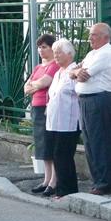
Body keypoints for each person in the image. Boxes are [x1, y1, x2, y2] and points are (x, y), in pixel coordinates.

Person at [70, 23, 111, 195]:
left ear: (105, 37)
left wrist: (77, 72)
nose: (90, 38)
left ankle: (103, 183)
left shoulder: (106, 53)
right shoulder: (91, 54)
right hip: (86, 100)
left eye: (94, 35)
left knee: (99, 141)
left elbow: (85, 75)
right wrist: (75, 72)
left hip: (99, 99)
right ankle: (98, 181)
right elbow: (73, 72)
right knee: (89, 141)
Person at [24, 34, 59, 196]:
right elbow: (26, 87)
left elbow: (45, 82)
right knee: (42, 145)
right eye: (39, 47)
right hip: (36, 107)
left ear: (52, 48)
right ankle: (46, 179)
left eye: (44, 47)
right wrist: (35, 86)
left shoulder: (54, 66)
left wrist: (34, 85)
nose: (41, 50)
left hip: (47, 108)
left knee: (49, 143)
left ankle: (54, 181)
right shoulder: (38, 67)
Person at [46, 39, 80, 198]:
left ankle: (67, 190)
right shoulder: (58, 73)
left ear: (69, 53)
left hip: (68, 121)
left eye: (59, 52)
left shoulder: (75, 71)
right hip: (54, 121)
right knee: (57, 155)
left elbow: (78, 92)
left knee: (64, 155)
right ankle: (63, 189)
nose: (56, 55)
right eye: (54, 52)